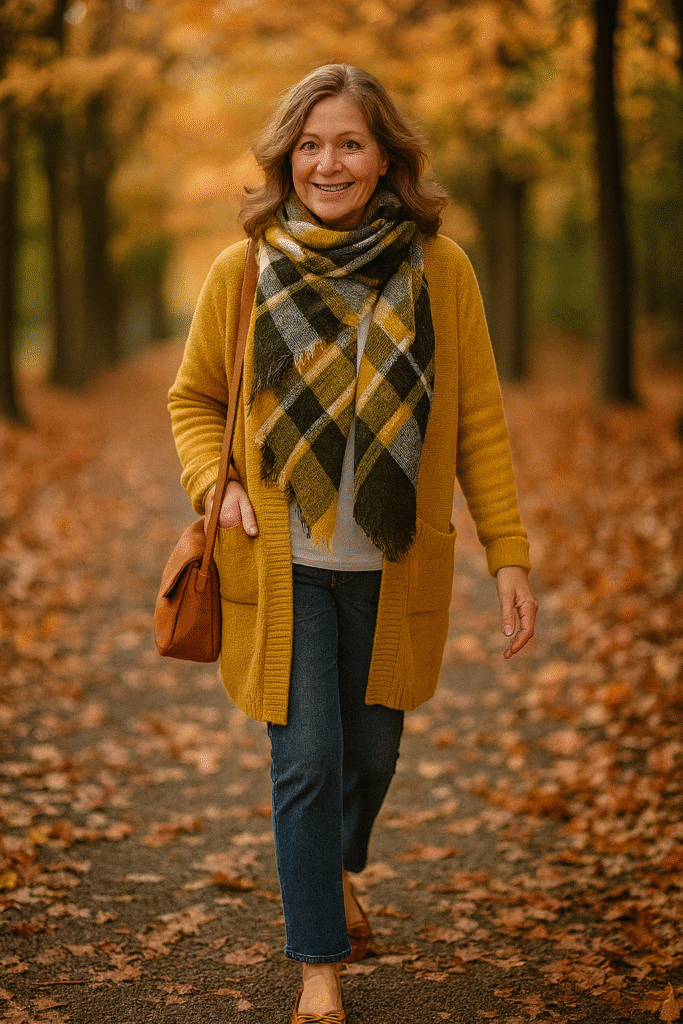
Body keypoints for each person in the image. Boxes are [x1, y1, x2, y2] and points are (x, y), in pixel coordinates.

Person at [167, 63, 538, 1024]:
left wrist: (508, 554)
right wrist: (219, 481)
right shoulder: (241, 271)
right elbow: (195, 400)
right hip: (278, 570)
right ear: (287, 156)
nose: (327, 162)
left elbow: (478, 423)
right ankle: (318, 973)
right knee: (308, 761)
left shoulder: (439, 269)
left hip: (393, 569)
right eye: (309, 144)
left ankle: (334, 869)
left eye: (349, 143)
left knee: (370, 758)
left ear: (385, 160)